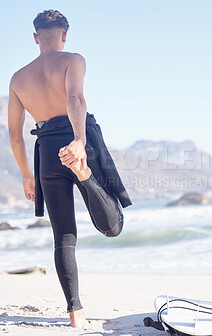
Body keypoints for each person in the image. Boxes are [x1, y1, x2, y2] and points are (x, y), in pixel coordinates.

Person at [7, 9, 132, 328]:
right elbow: (75, 98)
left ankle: (76, 314)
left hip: (47, 151)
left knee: (63, 236)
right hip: (79, 144)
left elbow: (14, 133)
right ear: (64, 35)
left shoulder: (18, 78)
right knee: (113, 226)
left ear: (36, 38)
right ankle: (85, 176)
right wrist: (78, 140)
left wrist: (25, 174)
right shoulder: (73, 60)